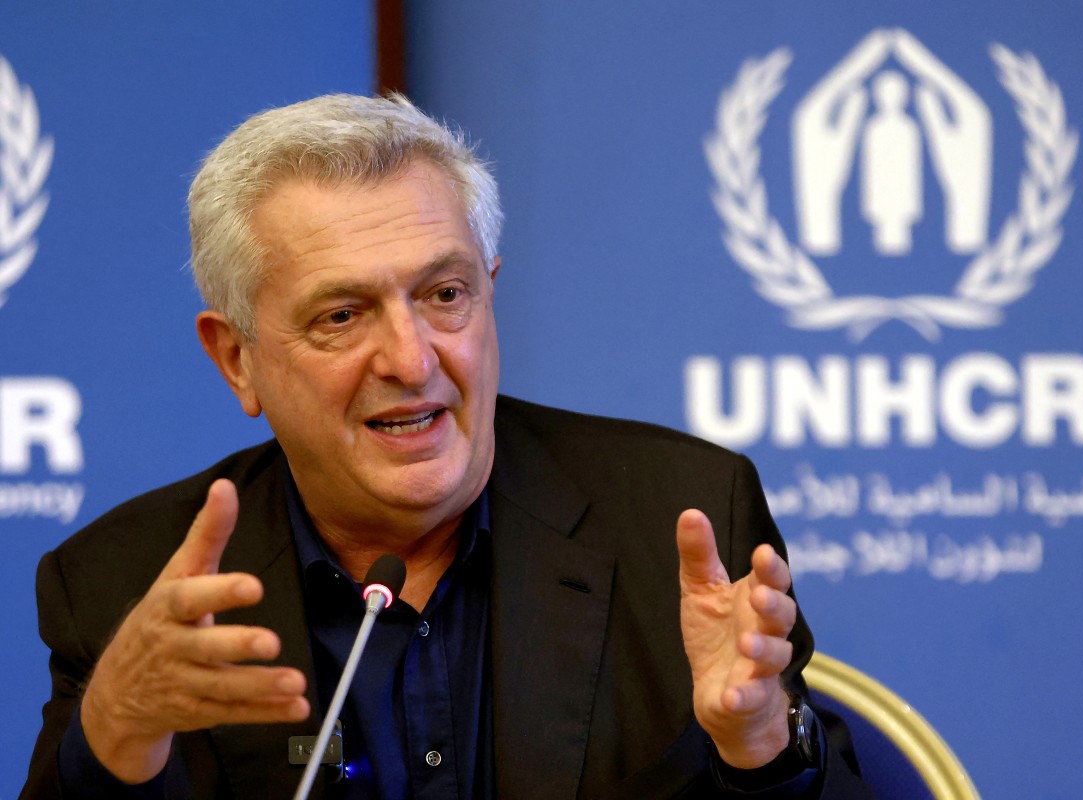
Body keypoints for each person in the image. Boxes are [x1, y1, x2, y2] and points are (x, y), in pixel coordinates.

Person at [21, 94, 872, 799]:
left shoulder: (675, 518)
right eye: (342, 315)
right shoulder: (121, 584)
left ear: (489, 293)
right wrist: (115, 740)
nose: (413, 358)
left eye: (444, 293)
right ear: (237, 358)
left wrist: (761, 745)